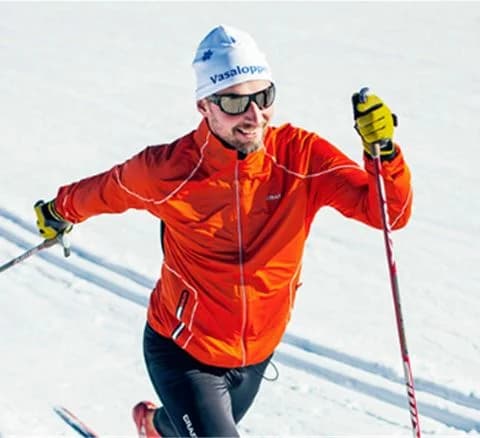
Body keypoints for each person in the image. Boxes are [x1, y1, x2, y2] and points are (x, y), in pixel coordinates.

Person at [34, 24, 412, 437]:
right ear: (205, 106)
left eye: (263, 97)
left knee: (191, 427)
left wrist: (384, 154)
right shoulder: (169, 171)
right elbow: (107, 190)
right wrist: (58, 211)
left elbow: (387, 214)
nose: (254, 116)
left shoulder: (300, 157)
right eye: (234, 102)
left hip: (256, 354)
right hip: (183, 353)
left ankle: (155, 427)